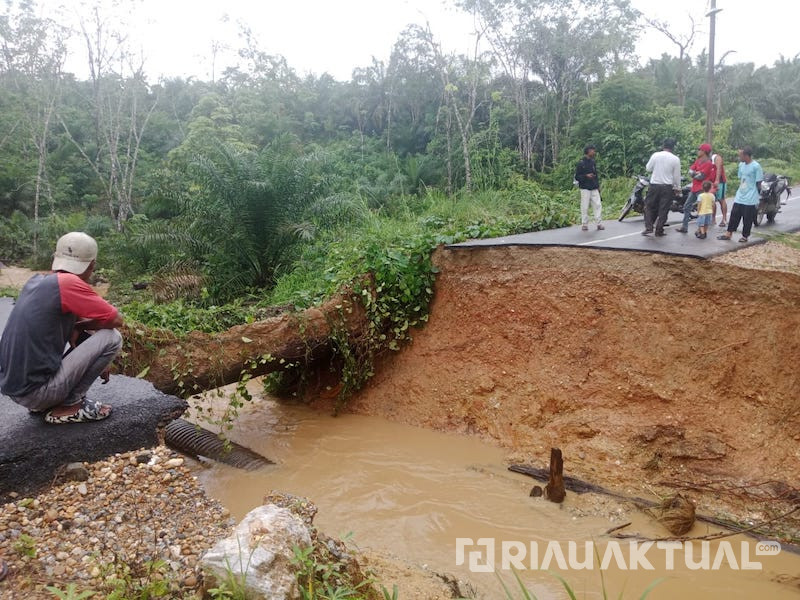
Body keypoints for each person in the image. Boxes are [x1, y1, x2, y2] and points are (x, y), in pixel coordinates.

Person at [0, 232, 123, 424]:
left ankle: (47, 403)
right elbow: (115, 319)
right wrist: (84, 328)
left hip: (18, 390)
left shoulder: (38, 281)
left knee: (91, 331)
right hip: (38, 393)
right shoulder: (69, 284)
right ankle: (71, 404)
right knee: (112, 337)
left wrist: (81, 330)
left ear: (56, 258)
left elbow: (78, 319)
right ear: (92, 264)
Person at [717, 146, 763, 243]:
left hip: (750, 196)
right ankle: (729, 233)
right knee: (734, 214)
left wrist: (757, 196)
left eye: (740, 155)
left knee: (747, 218)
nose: (739, 157)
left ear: (746, 155)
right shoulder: (741, 165)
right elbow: (741, 178)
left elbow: (758, 182)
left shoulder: (756, 166)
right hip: (740, 194)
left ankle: (745, 236)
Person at [642, 138, 682, 236]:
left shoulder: (655, 155)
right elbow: (676, 176)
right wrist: (678, 188)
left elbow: (648, 168)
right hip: (667, 187)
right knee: (663, 209)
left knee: (648, 206)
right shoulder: (675, 159)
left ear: (663, 146)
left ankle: (649, 227)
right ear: (673, 147)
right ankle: (659, 230)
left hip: (654, 185)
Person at [676, 143, 715, 233]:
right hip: (694, 188)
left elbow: (701, 176)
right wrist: (696, 173)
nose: (698, 151)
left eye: (699, 150)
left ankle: (701, 229)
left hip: (702, 188)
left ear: (704, 151)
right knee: (686, 206)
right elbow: (690, 171)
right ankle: (684, 227)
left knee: (702, 209)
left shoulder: (708, 163)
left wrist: (695, 173)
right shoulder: (698, 161)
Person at [575, 144, 604, 231]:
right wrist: (586, 176)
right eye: (592, 150)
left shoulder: (593, 162)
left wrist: (598, 186)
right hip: (585, 188)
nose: (594, 152)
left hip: (594, 187)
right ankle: (584, 224)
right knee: (585, 206)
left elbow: (596, 175)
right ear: (588, 151)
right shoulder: (581, 163)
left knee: (598, 205)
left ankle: (599, 223)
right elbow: (577, 177)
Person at [710, 148, 728, 227]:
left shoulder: (717, 157)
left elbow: (719, 169)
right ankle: (713, 219)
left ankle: (724, 219)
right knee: (712, 200)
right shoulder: (707, 159)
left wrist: (717, 180)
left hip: (720, 182)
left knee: (721, 200)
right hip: (711, 182)